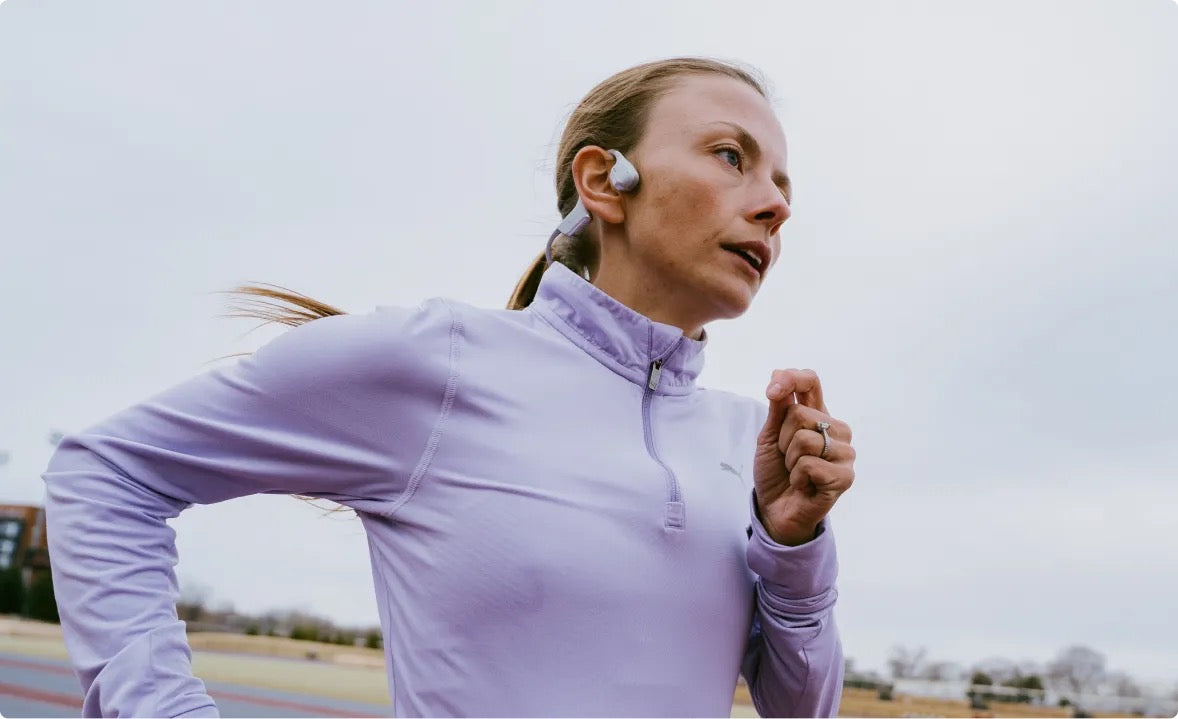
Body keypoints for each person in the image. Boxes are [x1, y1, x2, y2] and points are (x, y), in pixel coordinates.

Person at [42, 56, 857, 718]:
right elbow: (105, 473)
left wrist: (791, 546)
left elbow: (800, 710)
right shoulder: (439, 361)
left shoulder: (751, 446)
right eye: (731, 156)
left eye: (784, 186)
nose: (775, 207)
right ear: (605, 182)